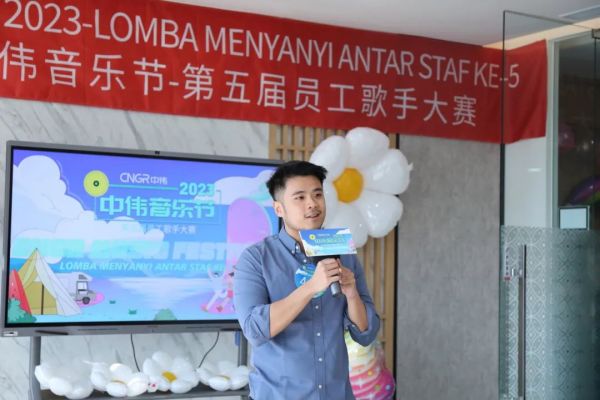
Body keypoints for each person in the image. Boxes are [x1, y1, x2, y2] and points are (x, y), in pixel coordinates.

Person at [234, 160, 380, 400]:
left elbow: (366, 333)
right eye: (300, 197)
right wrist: (311, 287)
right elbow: (254, 330)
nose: (312, 204)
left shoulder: (342, 253)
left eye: (317, 195)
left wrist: (352, 294)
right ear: (279, 209)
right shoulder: (256, 258)